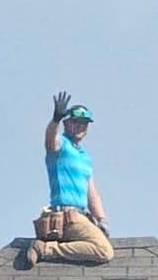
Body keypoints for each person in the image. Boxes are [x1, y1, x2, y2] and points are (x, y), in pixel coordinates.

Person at [22, 92, 112, 267]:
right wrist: (55, 120)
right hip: (66, 215)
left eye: (84, 124)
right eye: (76, 122)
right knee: (104, 251)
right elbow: (49, 141)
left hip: (81, 216)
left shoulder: (85, 156)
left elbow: (91, 193)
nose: (80, 126)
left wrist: (101, 220)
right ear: (66, 124)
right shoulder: (61, 145)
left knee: (100, 243)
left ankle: (48, 248)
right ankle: (44, 249)